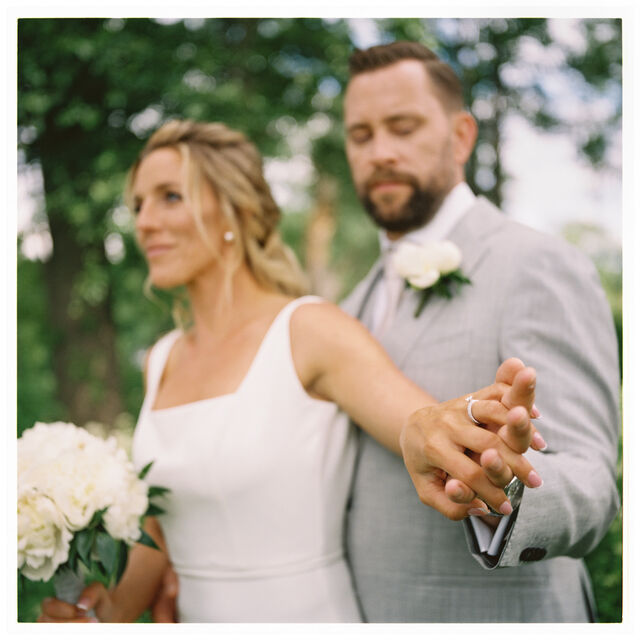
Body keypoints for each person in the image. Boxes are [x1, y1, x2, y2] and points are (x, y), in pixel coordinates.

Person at [38, 119, 543, 623]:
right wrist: (100, 613)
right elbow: (164, 528)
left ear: (237, 209)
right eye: (138, 205)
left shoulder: (308, 330)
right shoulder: (160, 359)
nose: (145, 222)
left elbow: (421, 425)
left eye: (170, 196)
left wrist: (471, 426)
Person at [335, 41, 619, 622]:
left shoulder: (537, 263)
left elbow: (593, 488)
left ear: (462, 136)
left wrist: (502, 484)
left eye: (403, 127)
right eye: (361, 135)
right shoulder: (349, 303)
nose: (380, 152)